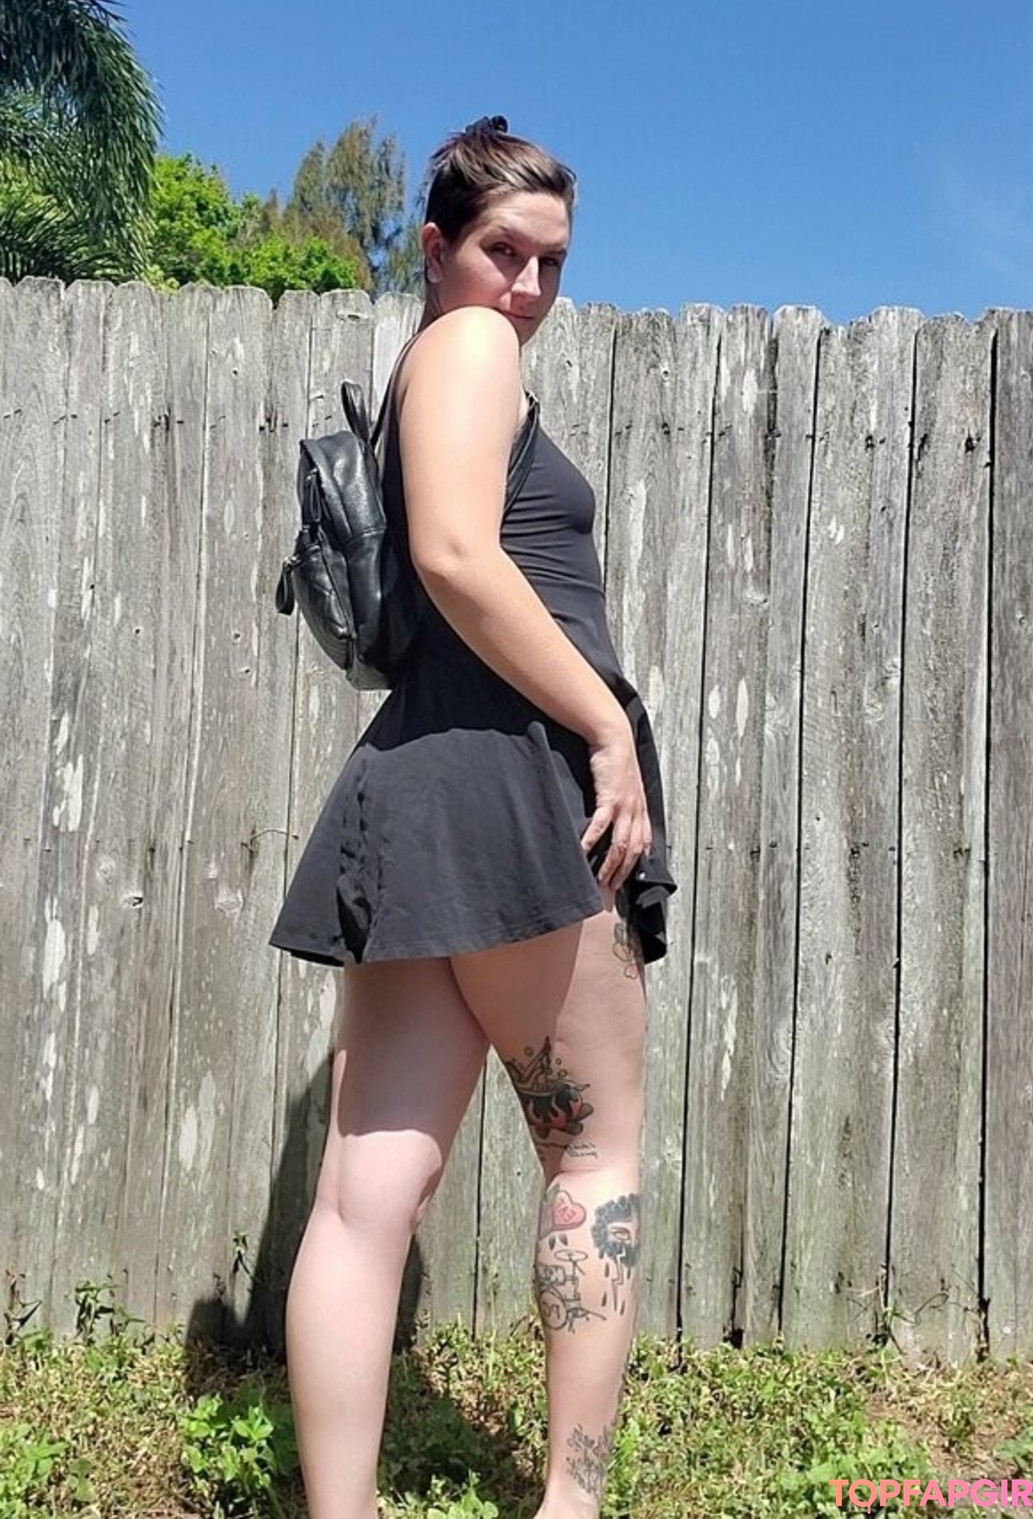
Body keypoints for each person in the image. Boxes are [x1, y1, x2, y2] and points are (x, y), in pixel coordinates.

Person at [269, 116, 676, 1519]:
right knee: (595, 1156)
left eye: (554, 263)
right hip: (512, 786)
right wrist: (607, 727)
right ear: (436, 246)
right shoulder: (470, 348)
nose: (530, 288)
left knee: (364, 1197)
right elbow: (452, 551)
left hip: (416, 790)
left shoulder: (434, 364)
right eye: (506, 251)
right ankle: (570, 1505)